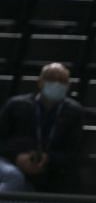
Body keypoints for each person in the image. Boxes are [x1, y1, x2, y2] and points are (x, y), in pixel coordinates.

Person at [0, 62, 83, 193]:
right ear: (40, 82)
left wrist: (48, 159)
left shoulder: (73, 112)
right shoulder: (16, 105)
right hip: (9, 160)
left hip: (50, 167)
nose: (56, 84)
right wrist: (17, 157)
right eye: (51, 79)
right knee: (13, 177)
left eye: (62, 81)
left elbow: (73, 152)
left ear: (68, 86)